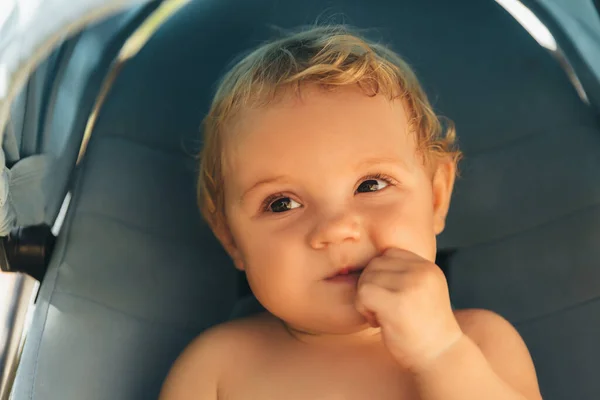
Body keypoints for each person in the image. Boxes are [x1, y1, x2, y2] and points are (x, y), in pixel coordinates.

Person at [160, 25, 543, 400]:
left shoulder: (480, 343)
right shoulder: (217, 368)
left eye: (371, 185)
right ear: (231, 239)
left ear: (436, 197)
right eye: (282, 204)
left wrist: (439, 355)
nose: (337, 228)